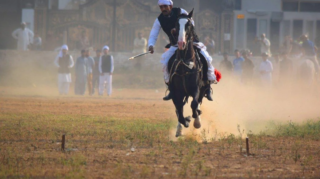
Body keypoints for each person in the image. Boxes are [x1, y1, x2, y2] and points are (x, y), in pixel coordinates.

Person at [148, 0, 217, 101]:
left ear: (170, 6)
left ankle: (207, 87)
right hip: (175, 45)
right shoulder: (159, 19)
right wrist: (151, 45)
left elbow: (190, 22)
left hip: (191, 42)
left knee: (206, 59)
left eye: (165, 6)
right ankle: (171, 89)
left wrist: (180, 30)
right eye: (161, 7)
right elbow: (154, 33)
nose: (163, 9)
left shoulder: (181, 11)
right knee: (165, 62)